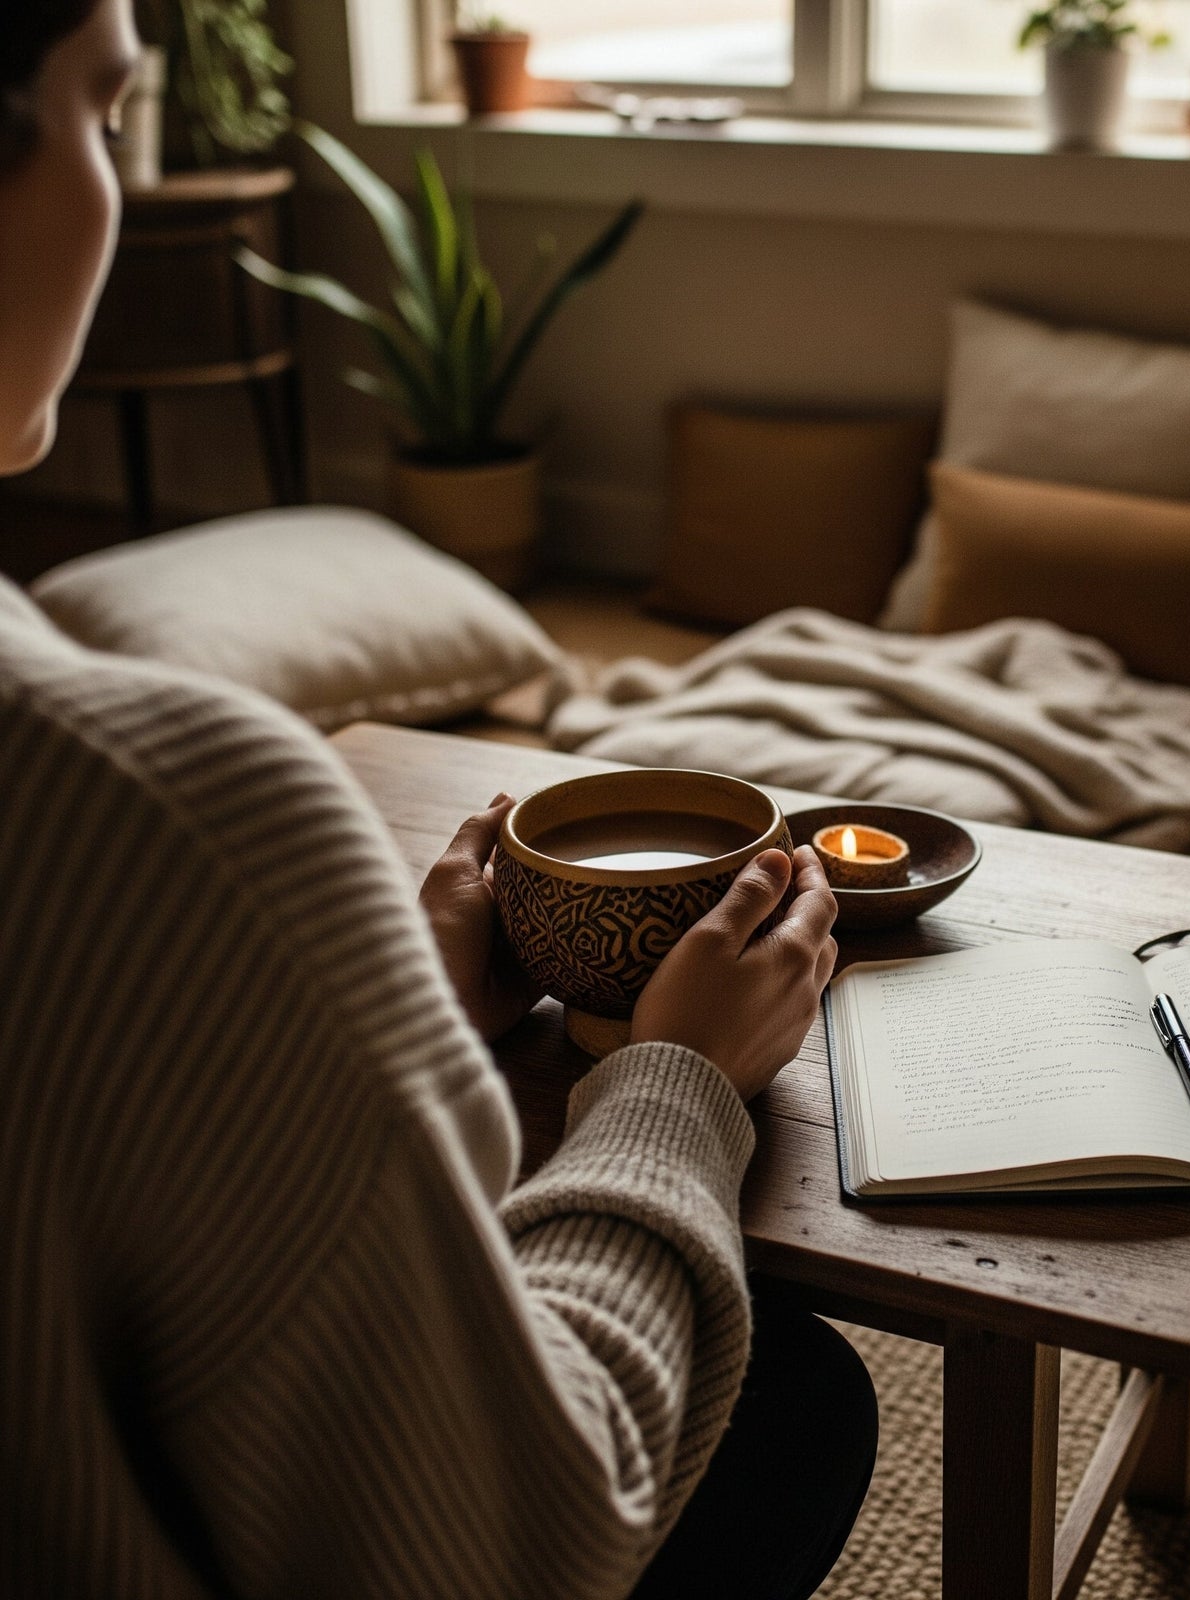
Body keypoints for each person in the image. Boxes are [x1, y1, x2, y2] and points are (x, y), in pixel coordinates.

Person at [0, 3, 877, 1595]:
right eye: (107, 112)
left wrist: (384, 1023)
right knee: (800, 1402)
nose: (116, 194)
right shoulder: (160, 797)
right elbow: (520, 1538)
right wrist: (677, 1084)